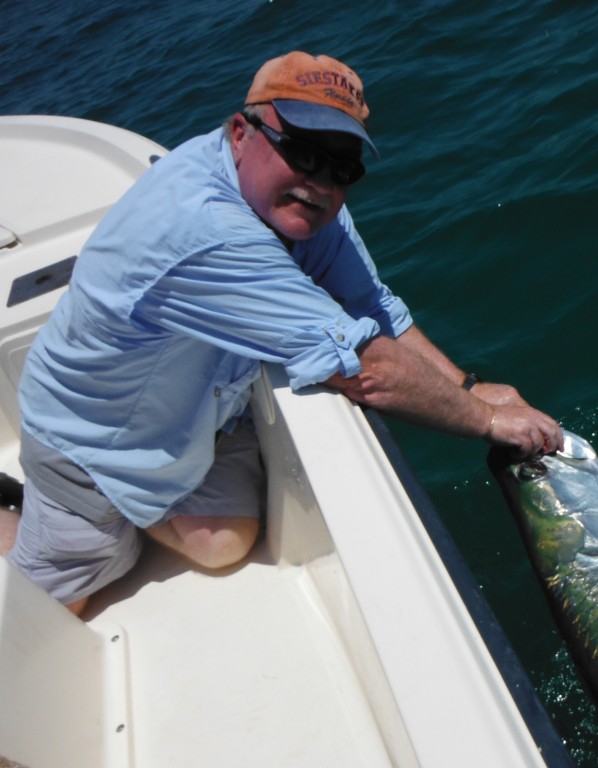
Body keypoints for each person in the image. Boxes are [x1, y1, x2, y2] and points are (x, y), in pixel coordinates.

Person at [1, 51, 562, 616]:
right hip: (91, 446)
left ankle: (149, 503)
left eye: (342, 167)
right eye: (301, 151)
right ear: (242, 133)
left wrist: (467, 386)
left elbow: (371, 305)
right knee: (55, 611)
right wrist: (487, 421)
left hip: (196, 419)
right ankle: (17, 513)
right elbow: (364, 365)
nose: (319, 182)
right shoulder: (205, 229)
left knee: (224, 545)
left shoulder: (303, 202)